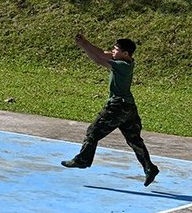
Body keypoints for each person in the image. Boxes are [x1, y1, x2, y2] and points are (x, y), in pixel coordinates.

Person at [62, 34, 160, 185]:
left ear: (125, 53)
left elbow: (98, 59)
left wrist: (83, 46)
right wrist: (86, 42)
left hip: (117, 107)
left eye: (116, 50)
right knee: (134, 140)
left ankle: (82, 160)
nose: (113, 51)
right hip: (129, 108)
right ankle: (149, 168)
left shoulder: (121, 65)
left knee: (93, 132)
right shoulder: (128, 61)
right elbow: (101, 53)